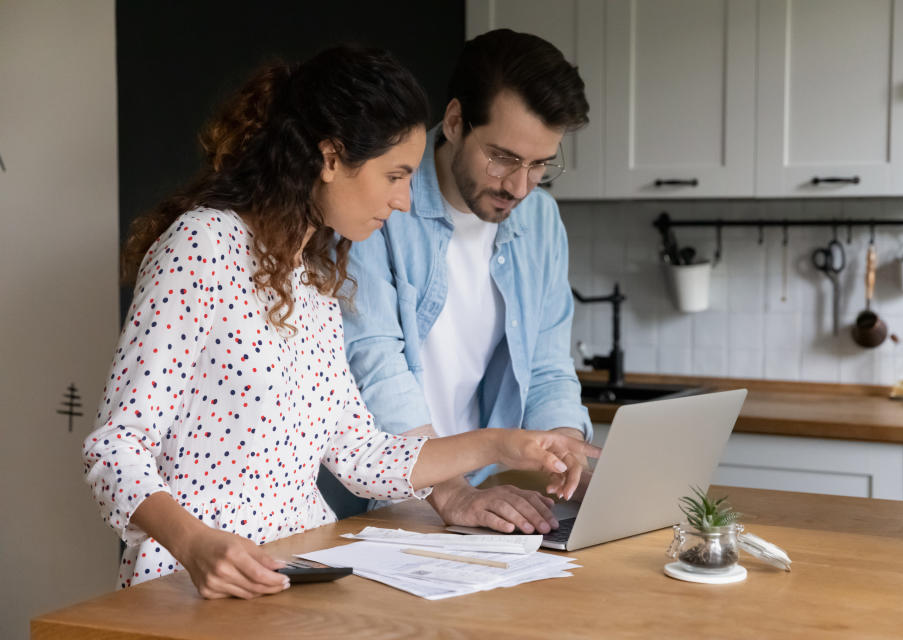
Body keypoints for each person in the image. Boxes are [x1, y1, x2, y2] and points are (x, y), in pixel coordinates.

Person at [82, 45, 599, 600]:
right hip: (188, 587)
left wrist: (502, 446)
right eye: (395, 175)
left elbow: (360, 456)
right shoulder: (203, 245)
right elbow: (114, 448)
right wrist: (195, 543)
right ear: (331, 159)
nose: (404, 201)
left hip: (300, 577)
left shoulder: (317, 281)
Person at [341, 30, 592, 536]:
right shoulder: (378, 206)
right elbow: (374, 362)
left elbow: (546, 363)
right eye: (502, 157)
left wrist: (566, 448)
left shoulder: (540, 220)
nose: (519, 186)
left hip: (476, 498)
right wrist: (450, 490)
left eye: (540, 164)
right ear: (455, 121)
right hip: (380, 497)